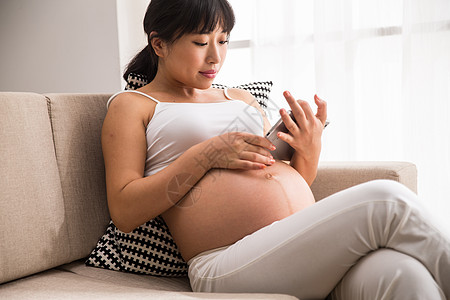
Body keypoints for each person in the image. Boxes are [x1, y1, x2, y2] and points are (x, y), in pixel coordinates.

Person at [102, 0, 450, 299]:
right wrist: (207, 154)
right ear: (159, 45)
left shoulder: (238, 97)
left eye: (223, 41)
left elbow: (286, 182)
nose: (215, 56)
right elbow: (125, 210)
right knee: (387, 200)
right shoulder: (134, 105)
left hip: (296, 244)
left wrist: (308, 148)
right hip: (226, 262)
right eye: (200, 42)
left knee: (404, 274)